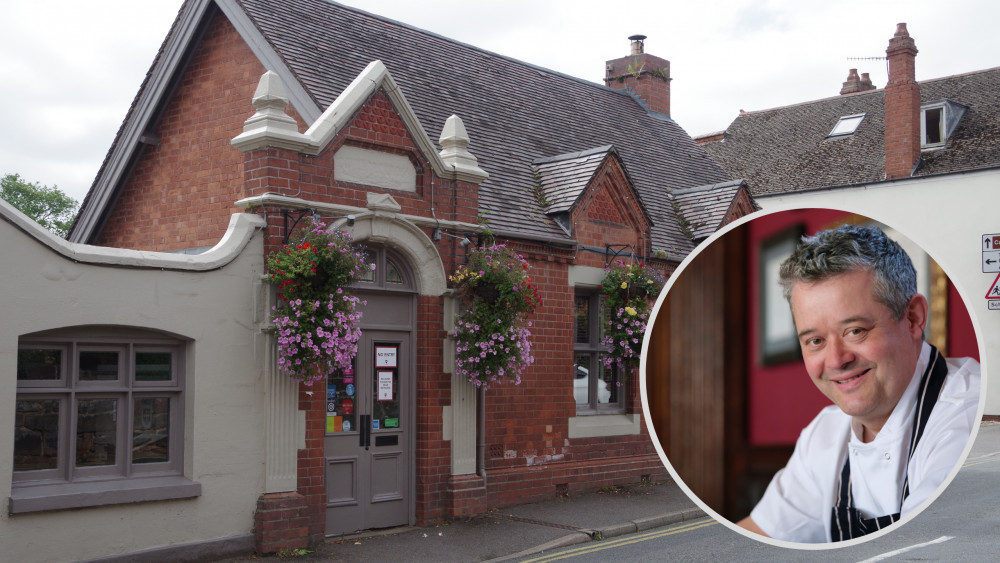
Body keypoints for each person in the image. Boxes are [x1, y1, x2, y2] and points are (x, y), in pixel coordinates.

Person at [737, 224, 980, 543]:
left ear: (913, 318)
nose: (836, 360)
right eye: (815, 340)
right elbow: (754, 540)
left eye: (856, 331)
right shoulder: (824, 435)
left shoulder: (967, 415)